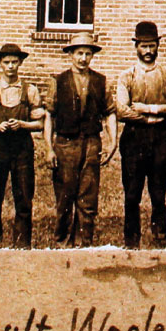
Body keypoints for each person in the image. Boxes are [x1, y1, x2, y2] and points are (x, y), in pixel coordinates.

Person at [114, 21, 166, 248]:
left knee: (158, 194)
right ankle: (131, 241)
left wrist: (151, 109)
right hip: (134, 138)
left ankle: (161, 240)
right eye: (143, 46)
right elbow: (122, 110)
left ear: (158, 46)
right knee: (132, 194)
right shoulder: (127, 76)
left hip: (159, 139)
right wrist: (146, 119)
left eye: (152, 46)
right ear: (136, 47)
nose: (148, 51)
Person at [44, 32, 115, 247]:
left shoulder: (100, 81)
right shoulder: (58, 81)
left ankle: (84, 245)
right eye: (79, 53)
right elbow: (49, 115)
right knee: (65, 197)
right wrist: (49, 148)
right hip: (65, 144)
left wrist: (113, 142)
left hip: (91, 143)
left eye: (87, 54)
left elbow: (110, 112)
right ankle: (61, 244)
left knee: (88, 198)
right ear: (70, 55)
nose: (83, 58)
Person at [0, 43, 45, 248]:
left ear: (20, 63)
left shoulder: (30, 91)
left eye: (14, 62)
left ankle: (22, 245)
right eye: (6, 62)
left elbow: (40, 123)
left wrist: (23, 124)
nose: (10, 66)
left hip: (22, 149)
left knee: (24, 198)